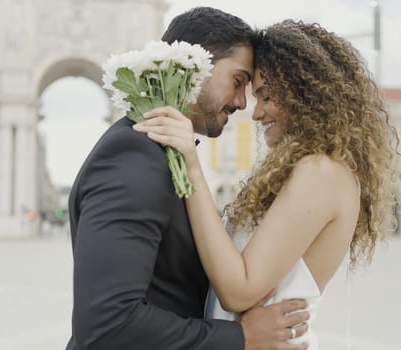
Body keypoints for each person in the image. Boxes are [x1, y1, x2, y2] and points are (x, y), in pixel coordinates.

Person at [135, 20, 401, 348]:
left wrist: (191, 164)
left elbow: (239, 289)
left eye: (266, 95)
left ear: (304, 89)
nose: (256, 112)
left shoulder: (322, 172)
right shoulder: (309, 169)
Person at [65, 8, 309, 350]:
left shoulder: (162, 153)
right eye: (238, 82)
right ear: (194, 67)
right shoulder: (132, 156)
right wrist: (241, 338)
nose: (242, 103)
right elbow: (107, 323)